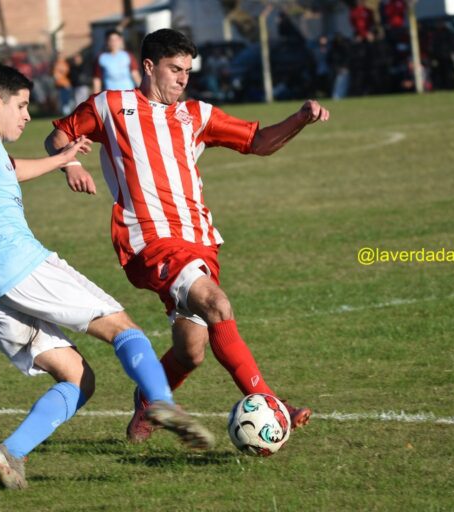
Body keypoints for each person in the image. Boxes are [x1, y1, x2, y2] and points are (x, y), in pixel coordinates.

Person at [0, 63, 213, 490]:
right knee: (123, 328)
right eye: (21, 105)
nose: (27, 115)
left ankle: (10, 452)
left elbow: (9, 170)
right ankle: (161, 403)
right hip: (19, 265)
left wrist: (61, 160)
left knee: (78, 379)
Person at [45, 29, 329, 446]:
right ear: (148, 67)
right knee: (217, 303)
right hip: (149, 240)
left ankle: (147, 400)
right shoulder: (111, 105)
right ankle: (269, 400)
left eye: (187, 72)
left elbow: (258, 142)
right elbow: (58, 137)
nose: (183, 79)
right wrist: (69, 164)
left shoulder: (197, 115)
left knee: (190, 351)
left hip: (199, 241)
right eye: (174, 69)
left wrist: (300, 118)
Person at [92, 29, 141, 93]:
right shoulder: (101, 58)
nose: (113, 42)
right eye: (111, 40)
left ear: (120, 41)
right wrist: (96, 95)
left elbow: (135, 74)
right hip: (110, 95)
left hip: (128, 93)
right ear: (106, 41)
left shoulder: (128, 56)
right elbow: (97, 79)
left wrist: (141, 91)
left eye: (116, 40)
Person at [52, 50, 73, 115]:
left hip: (65, 84)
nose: (59, 57)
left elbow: (68, 73)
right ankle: (65, 113)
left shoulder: (65, 64)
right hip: (59, 85)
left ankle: (67, 114)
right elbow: (54, 75)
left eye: (60, 55)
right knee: (62, 101)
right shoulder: (56, 64)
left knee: (67, 101)